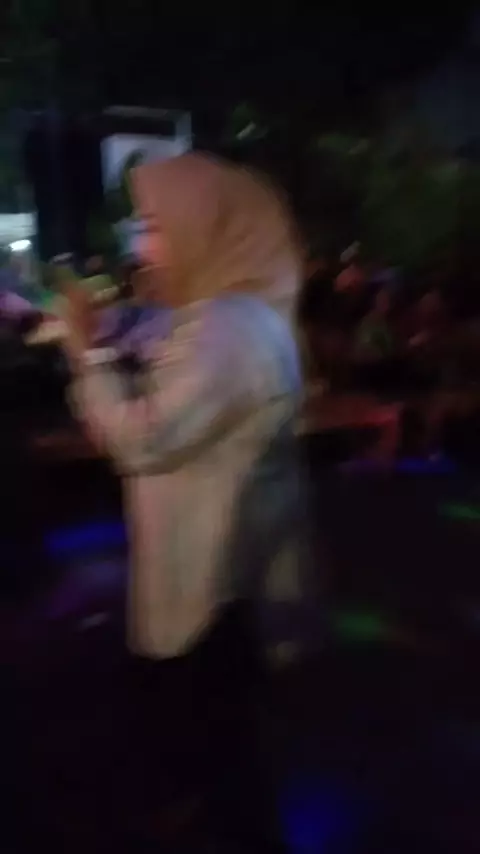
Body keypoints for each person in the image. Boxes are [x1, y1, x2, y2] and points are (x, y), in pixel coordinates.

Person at [62, 153, 309, 850]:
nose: (141, 248)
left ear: (203, 229)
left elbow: (142, 438)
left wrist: (87, 355)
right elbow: (154, 339)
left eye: (154, 227)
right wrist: (108, 333)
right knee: (215, 746)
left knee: (216, 757)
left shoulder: (229, 331)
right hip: (217, 577)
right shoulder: (225, 318)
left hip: (207, 586)